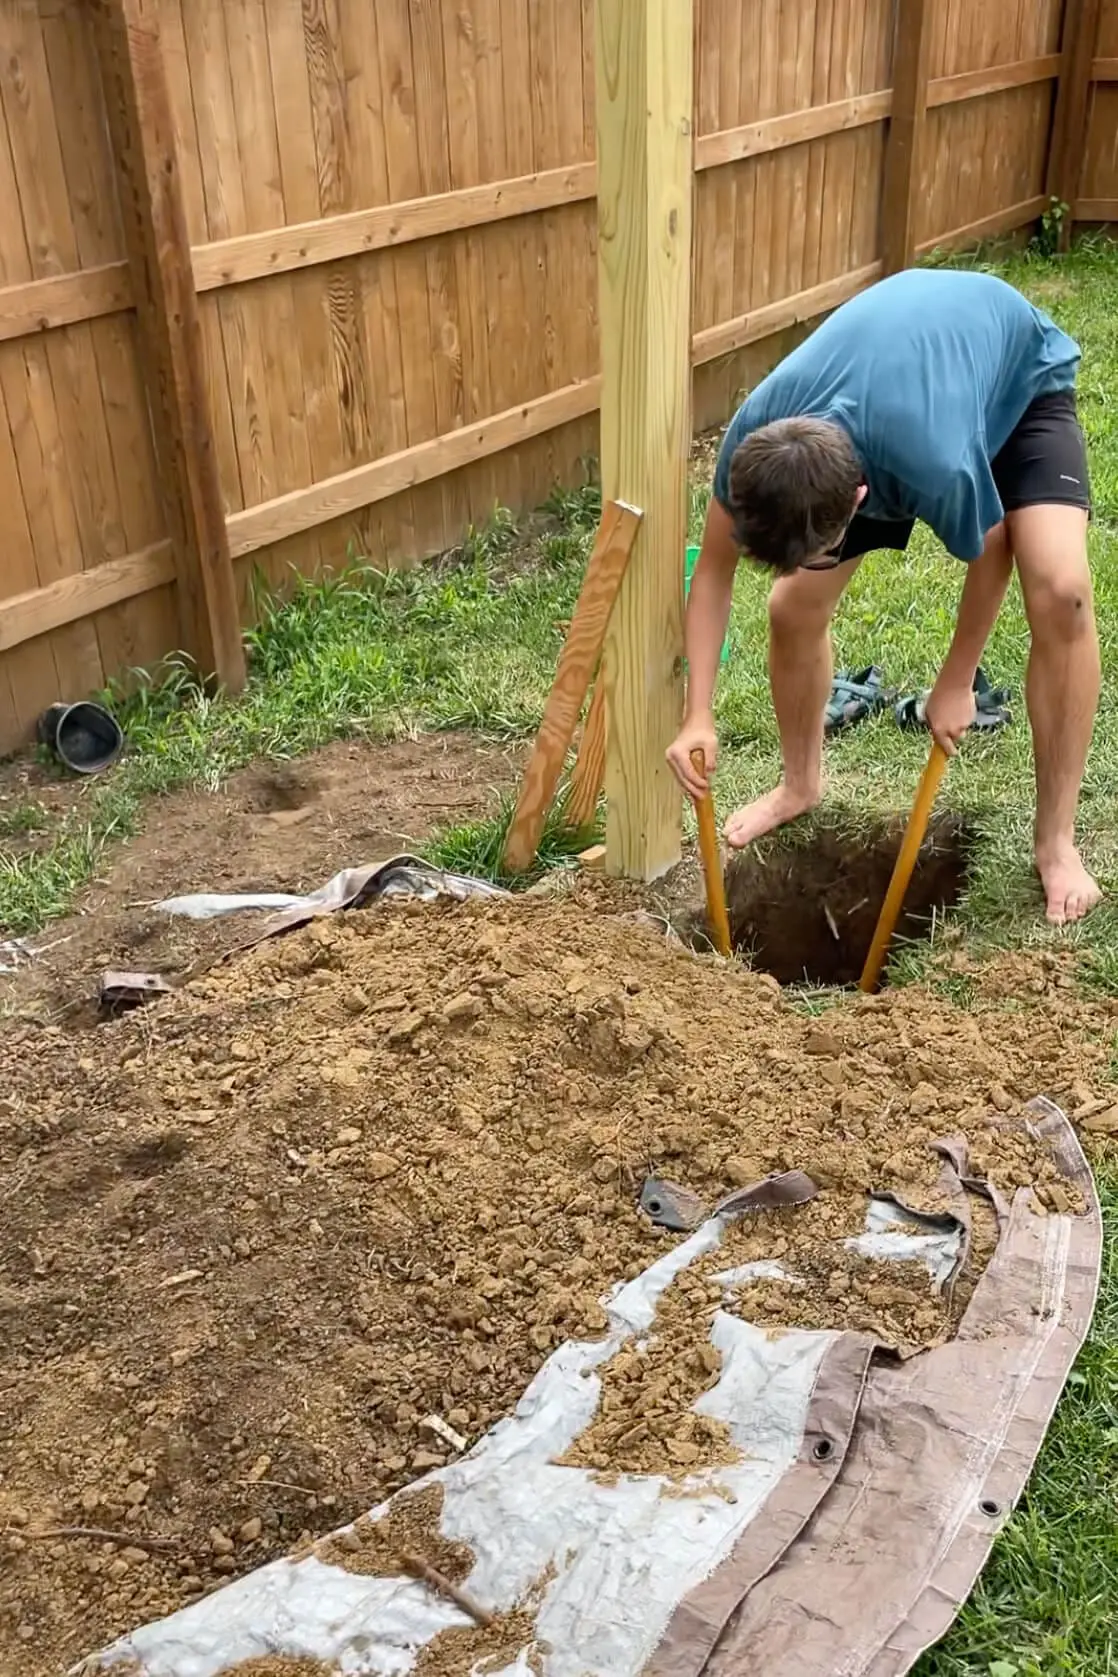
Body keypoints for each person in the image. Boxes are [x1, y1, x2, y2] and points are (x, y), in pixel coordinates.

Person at [666, 268, 1100, 925]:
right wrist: (697, 711)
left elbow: (993, 552)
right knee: (791, 608)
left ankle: (1056, 840)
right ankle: (800, 784)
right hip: (895, 391)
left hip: (1017, 381)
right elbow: (713, 573)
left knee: (1062, 591)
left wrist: (954, 683)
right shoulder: (756, 444)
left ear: (860, 503)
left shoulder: (936, 460)